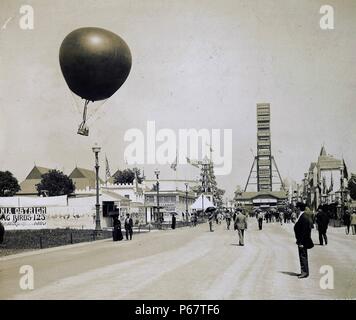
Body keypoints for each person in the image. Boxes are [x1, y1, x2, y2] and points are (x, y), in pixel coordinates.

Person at [294, 202, 314, 279]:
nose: (295, 208)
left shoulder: (304, 217)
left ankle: (304, 272)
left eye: (296, 207)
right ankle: (304, 271)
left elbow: (305, 231)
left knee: (303, 256)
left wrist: (302, 242)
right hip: (300, 240)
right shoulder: (301, 216)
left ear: (299, 208)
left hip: (303, 241)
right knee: (302, 256)